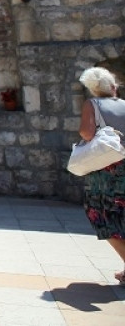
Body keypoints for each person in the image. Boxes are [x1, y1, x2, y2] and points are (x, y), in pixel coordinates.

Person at [77, 66, 125, 284]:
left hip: (106, 170)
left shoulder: (92, 104)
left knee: (101, 215)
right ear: (113, 86)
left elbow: (86, 133)